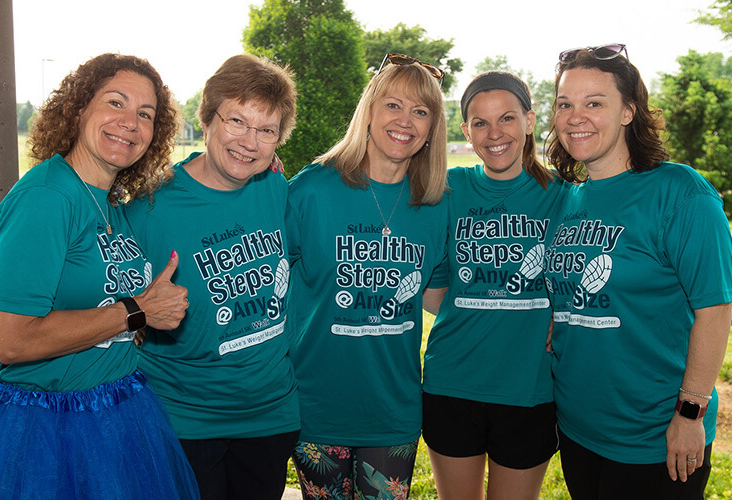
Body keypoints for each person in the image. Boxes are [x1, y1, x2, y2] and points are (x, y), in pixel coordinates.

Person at [0, 53, 199, 498]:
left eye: (144, 114)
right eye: (115, 103)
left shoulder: (108, 202)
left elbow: (87, 307)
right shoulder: (48, 197)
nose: (130, 122)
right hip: (41, 431)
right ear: (78, 109)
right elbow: (14, 340)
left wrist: (146, 317)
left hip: (120, 409)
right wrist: (137, 310)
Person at [543, 43, 732, 499]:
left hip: (654, 437)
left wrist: (690, 414)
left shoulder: (679, 191)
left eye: (594, 103)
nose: (575, 116)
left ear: (628, 111)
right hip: (577, 427)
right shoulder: (569, 198)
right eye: (565, 104)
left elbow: (716, 307)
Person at [127, 54, 300, 500]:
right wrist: (15, 342)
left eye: (267, 131)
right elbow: (94, 287)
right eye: (237, 121)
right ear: (207, 118)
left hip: (270, 418)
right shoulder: (148, 206)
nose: (250, 142)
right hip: (184, 420)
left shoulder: (277, 189)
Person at [287, 53, 449, 499]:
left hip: (392, 408)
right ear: (369, 111)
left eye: (421, 111)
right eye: (393, 105)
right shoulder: (312, 189)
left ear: (433, 126)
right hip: (317, 405)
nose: (406, 121)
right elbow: (270, 283)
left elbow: (440, 296)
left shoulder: (435, 204)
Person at [421, 71, 566, 500]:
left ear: (529, 120)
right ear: (466, 130)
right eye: (480, 123)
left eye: (506, 118)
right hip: (453, 383)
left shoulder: (564, 195)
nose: (494, 133)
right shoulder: (448, 190)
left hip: (529, 388)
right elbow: (434, 291)